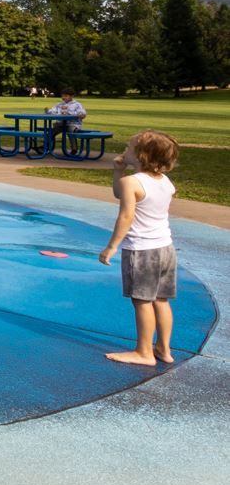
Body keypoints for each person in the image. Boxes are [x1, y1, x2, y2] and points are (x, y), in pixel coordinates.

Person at [97, 129, 180, 365]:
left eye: (130, 147)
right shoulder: (165, 182)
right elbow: (120, 193)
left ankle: (144, 352)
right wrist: (118, 170)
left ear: (142, 155)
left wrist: (112, 246)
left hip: (142, 251)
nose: (125, 150)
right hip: (166, 248)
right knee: (160, 300)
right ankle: (163, 349)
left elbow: (126, 216)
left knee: (142, 301)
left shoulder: (132, 182)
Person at [42, 87, 86, 153]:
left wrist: (69, 112)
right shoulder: (60, 104)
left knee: (71, 130)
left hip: (74, 124)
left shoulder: (77, 105)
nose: (63, 97)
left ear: (72, 96)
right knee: (51, 132)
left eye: (65, 96)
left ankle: (74, 148)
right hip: (61, 124)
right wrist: (48, 111)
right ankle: (45, 146)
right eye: (62, 96)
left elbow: (83, 114)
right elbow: (53, 111)